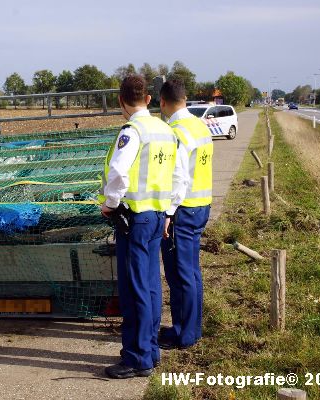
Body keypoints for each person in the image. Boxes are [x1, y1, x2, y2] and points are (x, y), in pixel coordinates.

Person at [99, 75, 179, 379]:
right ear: (148, 99)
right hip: (157, 215)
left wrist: (111, 202)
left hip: (134, 219)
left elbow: (119, 170)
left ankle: (136, 359)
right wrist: (169, 210)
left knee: (134, 291)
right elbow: (176, 175)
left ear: (121, 101)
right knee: (150, 286)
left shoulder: (133, 131)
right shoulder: (165, 131)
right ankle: (151, 351)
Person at [158, 79, 213, 350]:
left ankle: (184, 334)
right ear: (185, 98)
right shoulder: (199, 125)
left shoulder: (176, 131)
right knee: (191, 273)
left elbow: (178, 177)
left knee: (180, 275)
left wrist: (168, 213)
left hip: (183, 210)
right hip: (201, 206)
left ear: (162, 102)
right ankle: (191, 328)